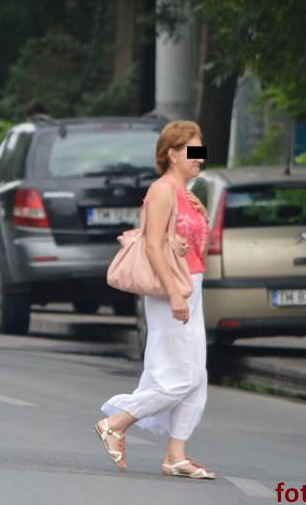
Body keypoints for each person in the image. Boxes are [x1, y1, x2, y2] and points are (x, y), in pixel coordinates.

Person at [94, 120, 214, 479]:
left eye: (201, 149)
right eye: (193, 150)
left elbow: (180, 241)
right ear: (173, 154)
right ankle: (115, 423)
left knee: (197, 376)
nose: (200, 157)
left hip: (191, 285)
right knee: (180, 377)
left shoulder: (187, 194)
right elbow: (150, 244)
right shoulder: (162, 190)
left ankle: (176, 455)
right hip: (171, 290)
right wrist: (174, 291)